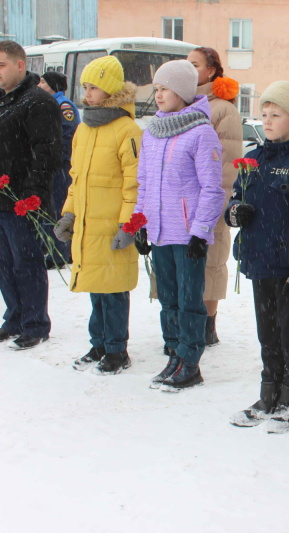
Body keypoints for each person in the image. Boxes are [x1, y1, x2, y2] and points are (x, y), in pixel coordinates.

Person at [226, 81, 289, 433]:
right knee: (267, 332)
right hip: (259, 260)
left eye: (276, 115)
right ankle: (267, 393)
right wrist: (235, 211)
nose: (266, 121)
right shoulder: (252, 159)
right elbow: (235, 198)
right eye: (264, 114)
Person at [132, 60, 225, 391]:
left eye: (165, 88)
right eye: (156, 89)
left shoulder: (202, 133)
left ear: (183, 91)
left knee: (189, 300)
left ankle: (191, 361)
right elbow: (143, 183)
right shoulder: (152, 133)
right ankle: (174, 353)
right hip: (158, 232)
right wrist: (140, 224)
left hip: (187, 236)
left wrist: (200, 232)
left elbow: (212, 189)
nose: (158, 95)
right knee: (168, 298)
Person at [52, 56, 142, 375]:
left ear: (111, 90)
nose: (87, 94)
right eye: (85, 87)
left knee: (113, 289)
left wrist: (127, 224)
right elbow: (77, 179)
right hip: (89, 225)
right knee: (95, 286)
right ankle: (99, 343)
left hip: (113, 226)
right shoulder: (84, 129)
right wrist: (69, 215)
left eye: (94, 87)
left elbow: (134, 183)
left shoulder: (127, 130)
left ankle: (117, 349)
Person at [0, 40, 61, 350]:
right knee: (5, 262)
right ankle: (15, 315)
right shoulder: (4, 100)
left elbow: (46, 153)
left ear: (19, 65)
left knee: (27, 261)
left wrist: (32, 196)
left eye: (1, 65)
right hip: (1, 197)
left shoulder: (36, 102)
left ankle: (35, 322)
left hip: (23, 200)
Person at [187, 47, 243, 347]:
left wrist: (217, 206)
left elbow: (228, 163)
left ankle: (207, 325)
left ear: (212, 71)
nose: (189, 69)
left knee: (210, 263)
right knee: (183, 265)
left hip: (210, 200)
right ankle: (183, 319)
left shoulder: (223, 109)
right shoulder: (179, 103)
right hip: (181, 203)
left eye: (194, 64)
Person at [39, 71, 80, 267]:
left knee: (59, 208)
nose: (39, 84)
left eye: (43, 81)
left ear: (53, 85)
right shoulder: (50, 103)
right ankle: (59, 250)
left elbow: (67, 136)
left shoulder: (63, 106)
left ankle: (60, 254)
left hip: (61, 166)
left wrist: (55, 160)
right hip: (55, 165)